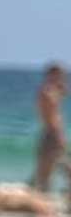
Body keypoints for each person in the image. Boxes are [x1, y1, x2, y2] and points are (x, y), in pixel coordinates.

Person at [33, 63, 70, 192]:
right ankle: (43, 194)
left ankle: (43, 194)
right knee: (49, 168)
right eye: (60, 75)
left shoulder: (50, 90)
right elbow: (51, 115)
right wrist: (60, 136)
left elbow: (65, 92)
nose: (62, 78)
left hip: (52, 132)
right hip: (52, 132)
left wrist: (60, 85)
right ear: (52, 75)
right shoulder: (47, 91)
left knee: (55, 165)